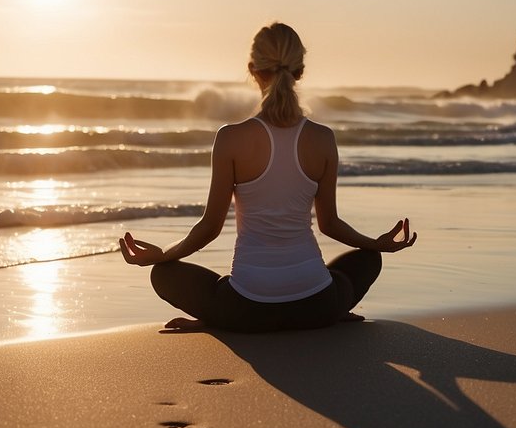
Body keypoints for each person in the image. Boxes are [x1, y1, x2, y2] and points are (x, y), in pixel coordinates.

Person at [119, 22, 417, 332]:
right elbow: (330, 224)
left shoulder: (230, 139)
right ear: (299, 71)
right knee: (368, 259)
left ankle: (217, 320)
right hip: (318, 306)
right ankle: (334, 308)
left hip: (244, 311)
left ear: (252, 69)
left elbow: (210, 228)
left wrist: (163, 255)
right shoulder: (323, 139)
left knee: (163, 275)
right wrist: (375, 244)